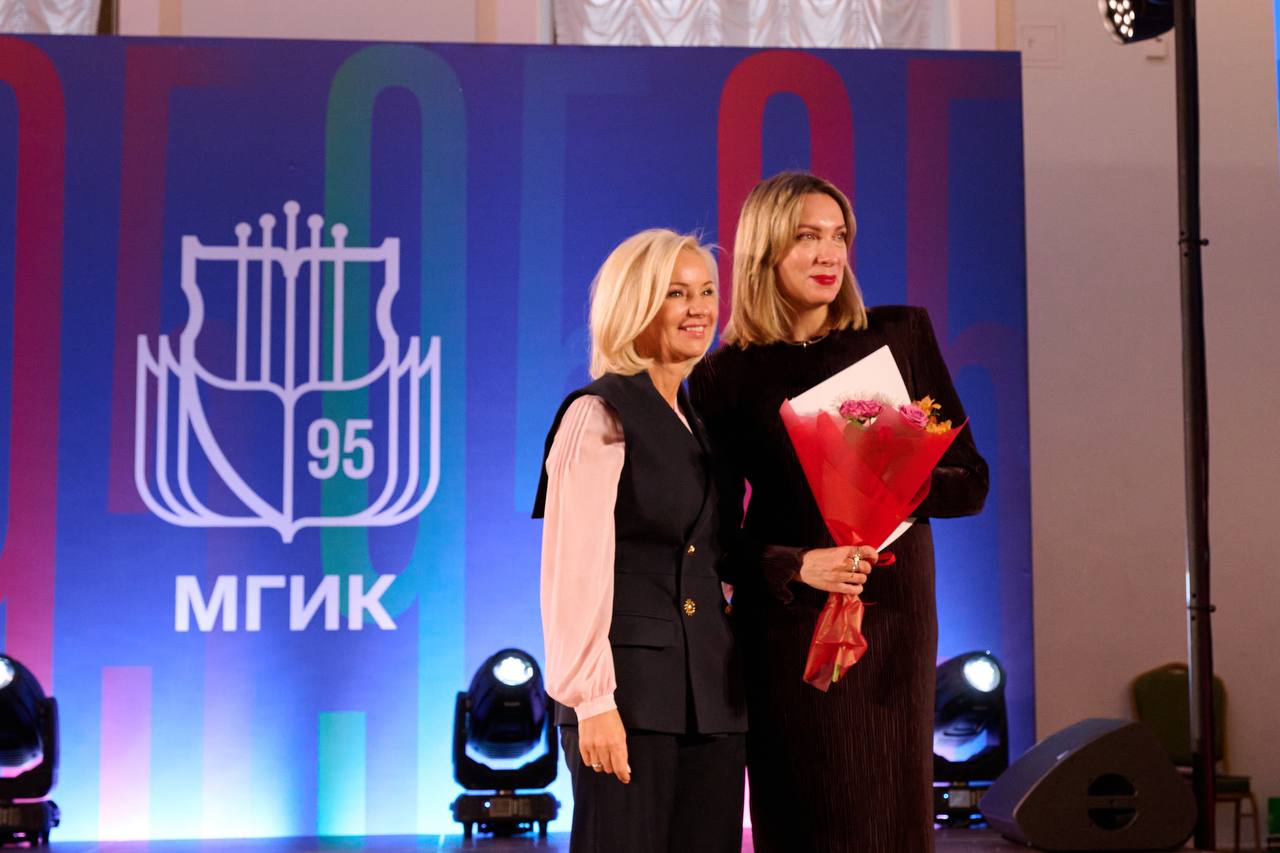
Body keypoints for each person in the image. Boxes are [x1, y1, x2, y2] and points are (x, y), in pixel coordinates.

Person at [689, 172, 989, 852]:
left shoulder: (899, 335)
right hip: (788, 627)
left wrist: (886, 476)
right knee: (804, 816)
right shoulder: (723, 377)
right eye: (807, 236)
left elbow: (971, 483)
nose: (829, 253)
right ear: (766, 249)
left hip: (892, 621)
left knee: (888, 818)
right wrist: (798, 564)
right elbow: (714, 539)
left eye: (838, 236)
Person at [533, 229, 747, 853]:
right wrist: (592, 701)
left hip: (713, 701)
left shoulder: (699, 422)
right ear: (635, 304)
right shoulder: (598, 414)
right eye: (676, 293)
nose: (699, 308)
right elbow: (575, 571)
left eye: (706, 292)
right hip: (626, 702)